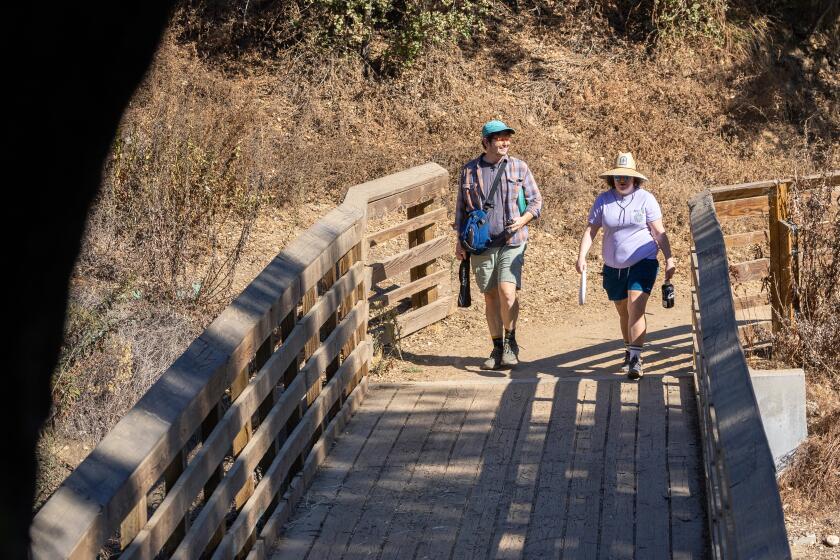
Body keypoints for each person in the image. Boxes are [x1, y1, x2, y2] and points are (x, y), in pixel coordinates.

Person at [575, 152, 675, 379]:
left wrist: (669, 258)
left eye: (626, 177)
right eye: (618, 176)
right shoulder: (603, 200)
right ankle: (629, 348)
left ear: (635, 179)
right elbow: (592, 230)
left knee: (635, 305)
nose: (622, 180)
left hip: (643, 260)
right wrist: (581, 256)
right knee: (623, 311)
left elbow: (659, 232)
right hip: (613, 267)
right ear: (613, 179)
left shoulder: (646, 199)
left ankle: (636, 359)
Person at [455, 120, 543, 370]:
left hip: (512, 240)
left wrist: (523, 220)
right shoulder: (469, 171)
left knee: (507, 291)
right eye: (499, 138)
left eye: (507, 138)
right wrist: (459, 241)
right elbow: (461, 209)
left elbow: (536, 202)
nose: (505, 142)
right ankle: (496, 347)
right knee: (490, 296)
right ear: (485, 142)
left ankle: (510, 343)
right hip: (481, 244)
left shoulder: (518, 167)